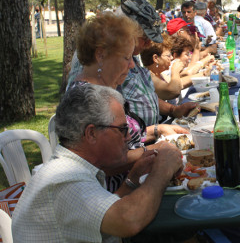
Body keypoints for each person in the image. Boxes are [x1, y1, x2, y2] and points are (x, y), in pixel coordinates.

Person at [12, 84, 183, 242]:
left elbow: (101, 216)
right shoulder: (64, 180)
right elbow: (129, 220)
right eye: (123, 129)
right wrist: (162, 170)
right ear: (91, 133)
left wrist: (132, 180)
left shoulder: (72, 168)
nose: (129, 137)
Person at [70, 13, 187, 192]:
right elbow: (104, 164)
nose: (132, 65)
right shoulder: (88, 100)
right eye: (126, 58)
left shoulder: (105, 90)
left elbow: (124, 138)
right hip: (114, 198)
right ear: (101, 55)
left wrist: (158, 130)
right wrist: (156, 150)